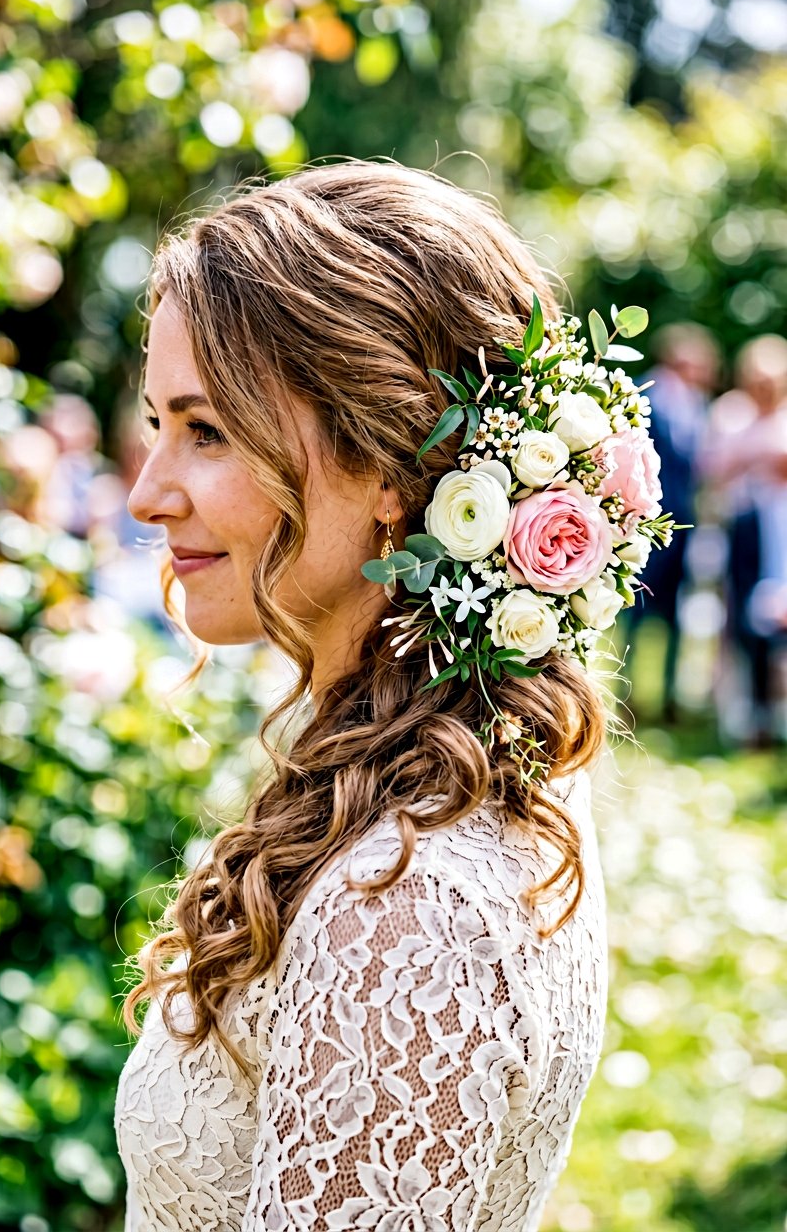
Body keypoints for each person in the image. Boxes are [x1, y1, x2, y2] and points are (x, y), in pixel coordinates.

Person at [115, 160, 612, 1231]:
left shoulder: (407, 907)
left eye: (205, 431)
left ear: (391, 462)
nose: (147, 491)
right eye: (158, 423)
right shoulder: (405, 781)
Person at [624, 322, 719, 722]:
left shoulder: (697, 406)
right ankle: (627, 692)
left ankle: (668, 696)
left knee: (674, 612)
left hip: (684, 524)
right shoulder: (648, 394)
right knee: (637, 609)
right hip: (649, 521)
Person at [700, 334, 787, 745]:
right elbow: (710, 469)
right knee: (741, 622)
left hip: (781, 533)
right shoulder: (730, 414)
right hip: (742, 532)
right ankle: (746, 711)